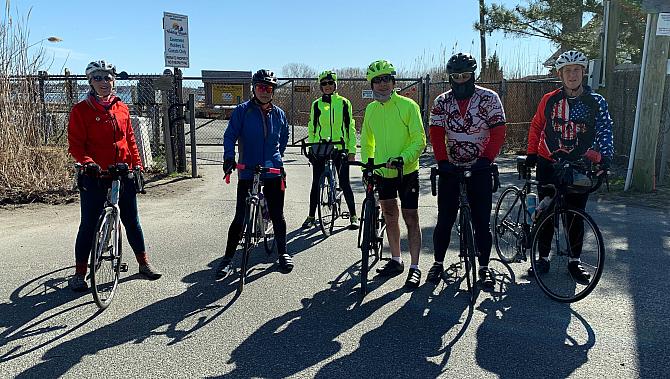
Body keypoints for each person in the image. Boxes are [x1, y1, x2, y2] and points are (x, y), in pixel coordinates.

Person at [67, 60, 162, 291]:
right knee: (88, 224)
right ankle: (80, 273)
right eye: (97, 78)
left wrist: (137, 166)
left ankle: (143, 263)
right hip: (94, 175)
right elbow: (76, 145)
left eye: (108, 77)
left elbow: (130, 139)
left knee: (132, 221)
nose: (104, 82)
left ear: (114, 81)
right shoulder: (81, 110)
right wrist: (87, 163)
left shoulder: (122, 107)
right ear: (90, 82)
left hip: (122, 172)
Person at [526, 50, 613, 283]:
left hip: (578, 163)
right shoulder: (549, 100)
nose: (572, 75)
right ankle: (542, 258)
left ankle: (574, 261)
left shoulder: (595, 101)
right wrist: (532, 154)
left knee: (576, 215)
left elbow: (605, 129)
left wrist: (605, 158)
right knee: (545, 210)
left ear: (583, 73)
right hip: (549, 161)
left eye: (576, 70)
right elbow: (536, 126)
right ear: (560, 75)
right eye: (567, 71)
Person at [427, 53, 506, 289]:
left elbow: (498, 131)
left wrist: (486, 159)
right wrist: (442, 161)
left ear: (473, 75)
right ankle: (438, 263)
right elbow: (436, 132)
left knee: (482, 221)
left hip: (480, 166)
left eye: (465, 76)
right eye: (456, 76)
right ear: (450, 78)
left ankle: (484, 266)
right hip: (451, 168)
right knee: (445, 219)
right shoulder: (442, 101)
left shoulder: (489, 98)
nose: (461, 80)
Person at [216, 69, 292, 278]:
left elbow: (284, 137)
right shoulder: (242, 111)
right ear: (254, 89)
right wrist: (229, 157)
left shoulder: (279, 114)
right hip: (248, 169)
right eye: (261, 87)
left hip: (273, 169)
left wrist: (278, 157)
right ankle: (228, 259)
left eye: (269, 88)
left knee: (277, 214)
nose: (265, 92)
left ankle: (283, 253)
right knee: (240, 216)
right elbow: (230, 135)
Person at [360, 59, 426, 288]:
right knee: (389, 215)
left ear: (393, 81)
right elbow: (367, 140)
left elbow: (420, 139)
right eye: (377, 81)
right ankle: (396, 260)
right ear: (372, 84)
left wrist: (403, 158)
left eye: (386, 79)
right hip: (382, 172)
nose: (382, 85)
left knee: (410, 218)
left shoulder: (408, 106)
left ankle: (415, 266)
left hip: (406, 171)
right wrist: (366, 167)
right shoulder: (370, 109)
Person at [302, 70, 359, 230]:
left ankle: (353, 215)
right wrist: (313, 147)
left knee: (344, 182)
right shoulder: (316, 104)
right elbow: (312, 127)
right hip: (321, 147)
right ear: (321, 87)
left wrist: (351, 150)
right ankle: (311, 216)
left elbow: (350, 128)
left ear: (335, 85)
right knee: (316, 183)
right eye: (324, 84)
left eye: (330, 83)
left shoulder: (344, 103)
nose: (327, 86)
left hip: (340, 147)